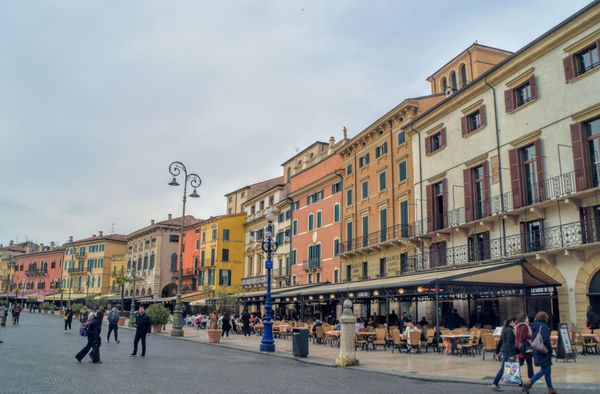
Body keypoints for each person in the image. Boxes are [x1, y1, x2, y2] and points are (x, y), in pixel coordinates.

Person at [523, 312, 556, 394]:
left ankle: (550, 389)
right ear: (544, 318)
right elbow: (546, 340)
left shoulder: (532, 326)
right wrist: (550, 350)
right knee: (545, 370)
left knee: (547, 369)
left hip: (536, 351)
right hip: (544, 351)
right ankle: (529, 382)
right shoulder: (544, 326)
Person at [491, 317, 517, 392]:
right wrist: (511, 354)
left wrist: (497, 351)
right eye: (515, 322)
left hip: (505, 351)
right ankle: (495, 383)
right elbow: (509, 343)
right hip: (508, 351)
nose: (516, 324)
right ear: (512, 322)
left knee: (511, 367)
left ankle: (523, 384)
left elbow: (501, 341)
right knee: (504, 368)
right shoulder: (509, 330)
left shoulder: (505, 329)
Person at [515, 312, 534, 382]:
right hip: (526, 348)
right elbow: (525, 336)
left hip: (519, 347)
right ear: (525, 318)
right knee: (529, 363)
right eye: (527, 317)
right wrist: (532, 336)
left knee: (521, 362)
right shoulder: (525, 326)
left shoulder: (517, 326)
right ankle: (532, 378)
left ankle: (516, 375)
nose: (528, 318)